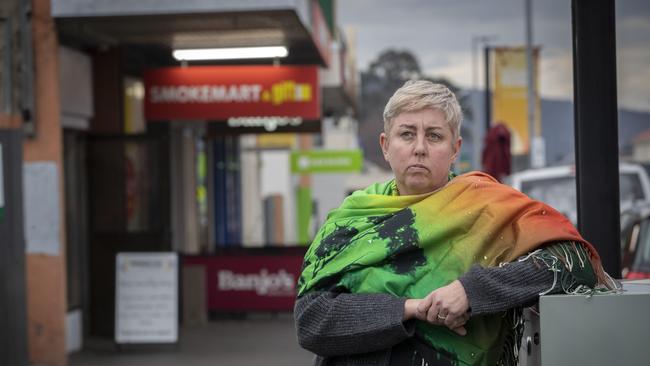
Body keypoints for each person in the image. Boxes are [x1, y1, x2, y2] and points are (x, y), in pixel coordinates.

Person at [294, 80, 615, 366]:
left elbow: (573, 263)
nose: (419, 148)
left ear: (454, 150)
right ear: (385, 146)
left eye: (434, 136)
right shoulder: (352, 219)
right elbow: (311, 321)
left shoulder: (487, 209)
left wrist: (472, 290)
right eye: (407, 134)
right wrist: (411, 308)